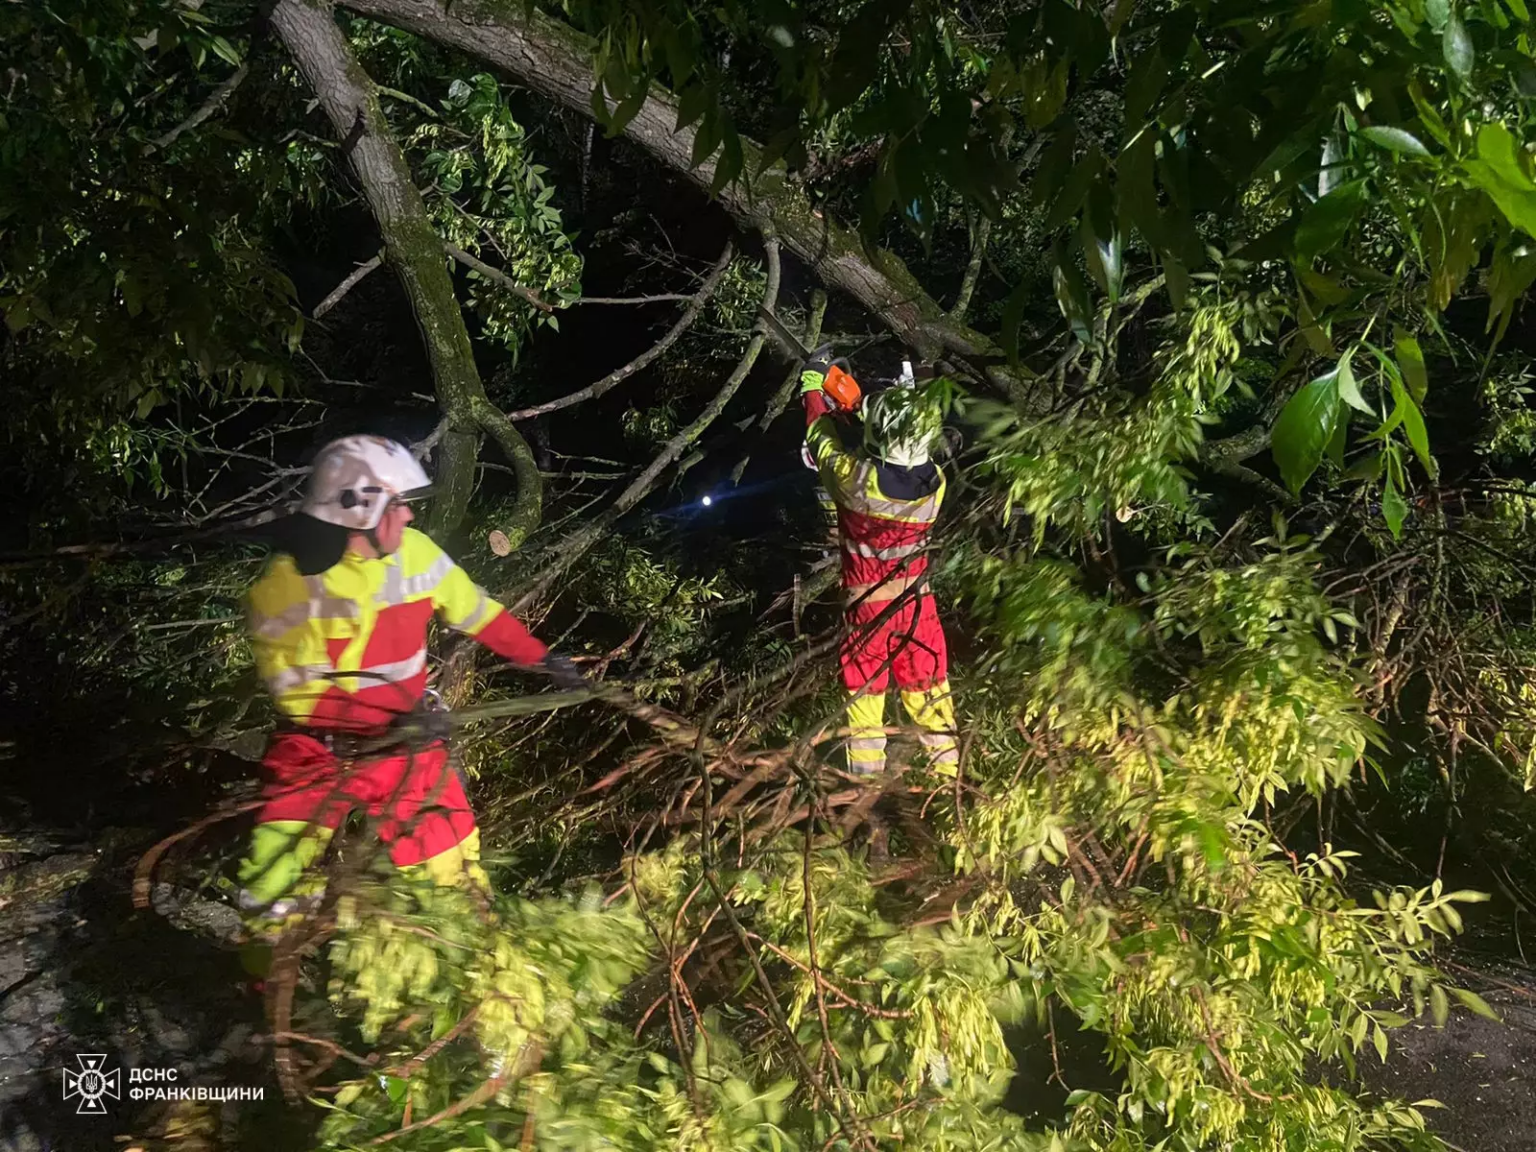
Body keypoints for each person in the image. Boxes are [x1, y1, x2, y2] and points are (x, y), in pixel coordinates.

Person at [235, 435, 584, 945]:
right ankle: (269, 991)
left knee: (452, 875)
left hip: (407, 749)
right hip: (319, 752)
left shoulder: (416, 555)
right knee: (273, 882)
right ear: (360, 511)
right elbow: (299, 696)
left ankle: (471, 972)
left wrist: (540, 657)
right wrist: (392, 722)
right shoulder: (287, 584)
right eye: (398, 505)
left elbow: (475, 610)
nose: (409, 518)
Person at [799, 356, 959, 776]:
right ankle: (951, 791)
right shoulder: (935, 486)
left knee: (864, 703)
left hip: (868, 610)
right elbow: (899, 458)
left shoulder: (853, 482)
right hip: (918, 608)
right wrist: (865, 413)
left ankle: (867, 792)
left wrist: (813, 387)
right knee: (931, 702)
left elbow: (820, 439)